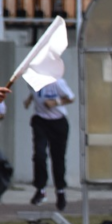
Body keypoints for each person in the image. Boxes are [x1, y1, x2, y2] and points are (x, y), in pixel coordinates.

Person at [25, 78, 75, 211]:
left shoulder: (57, 82)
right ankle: (40, 189)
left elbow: (71, 97)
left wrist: (55, 102)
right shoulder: (32, 81)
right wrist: (29, 99)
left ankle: (60, 191)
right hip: (40, 121)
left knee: (58, 158)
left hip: (58, 122)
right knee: (39, 155)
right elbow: (34, 92)